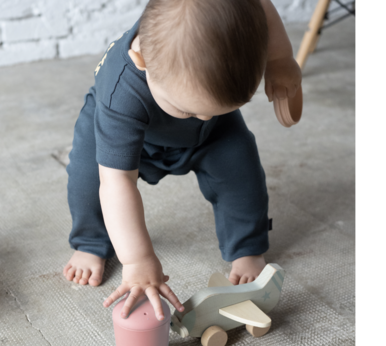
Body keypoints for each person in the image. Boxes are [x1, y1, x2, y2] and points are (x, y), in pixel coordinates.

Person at [63, 0, 302, 321]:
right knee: (88, 177)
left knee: (240, 169)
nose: (201, 117)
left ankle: (246, 246)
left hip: (210, 136)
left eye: (219, 107)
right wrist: (137, 260)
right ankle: (91, 242)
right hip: (136, 134)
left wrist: (280, 60)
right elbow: (117, 183)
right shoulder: (121, 94)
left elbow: (261, 5)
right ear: (142, 60)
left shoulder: (208, 110)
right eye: (190, 110)